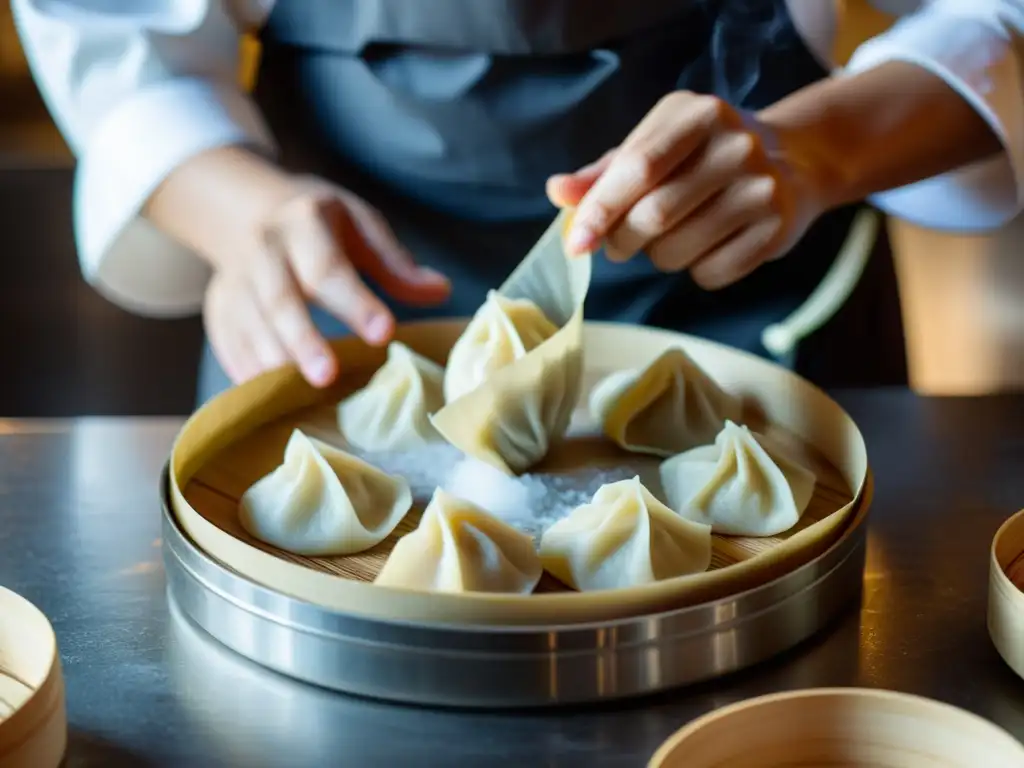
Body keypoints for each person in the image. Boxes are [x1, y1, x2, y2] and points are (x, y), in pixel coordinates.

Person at [12, 0, 1021, 406]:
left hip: (768, 323)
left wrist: (818, 147)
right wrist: (243, 216)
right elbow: (120, 41)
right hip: (344, 336)